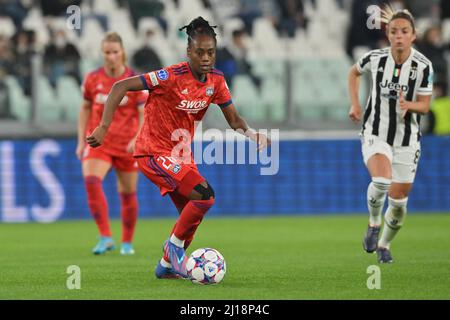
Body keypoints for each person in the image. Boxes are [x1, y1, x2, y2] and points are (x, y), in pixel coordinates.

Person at [86, 17, 270, 278]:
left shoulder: (216, 81)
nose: (206, 57)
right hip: (152, 152)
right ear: (189, 52)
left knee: (191, 215)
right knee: (205, 195)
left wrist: (253, 134)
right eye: (200, 52)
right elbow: (121, 86)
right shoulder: (170, 76)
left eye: (211, 52)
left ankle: (166, 266)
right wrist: (103, 127)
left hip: (181, 157)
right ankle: (172, 250)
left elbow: (234, 120)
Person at [348, 7, 433, 263]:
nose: (399, 36)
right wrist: (355, 104)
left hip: (407, 140)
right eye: (394, 31)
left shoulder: (423, 66)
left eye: (404, 31)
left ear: (413, 36)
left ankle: (384, 244)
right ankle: (374, 224)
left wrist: (411, 105)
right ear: (387, 33)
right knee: (382, 181)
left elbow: (426, 106)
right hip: (376, 132)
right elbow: (353, 72)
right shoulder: (375, 58)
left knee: (398, 202)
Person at [77, 32, 147, 255]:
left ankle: (127, 242)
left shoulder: (134, 81)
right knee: (91, 179)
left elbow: (144, 113)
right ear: (102, 53)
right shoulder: (92, 79)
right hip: (100, 142)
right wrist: (80, 141)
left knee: (127, 193)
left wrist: (138, 138)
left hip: (127, 144)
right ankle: (105, 236)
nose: (111, 56)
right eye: (107, 52)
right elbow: (85, 109)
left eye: (115, 52)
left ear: (122, 52)